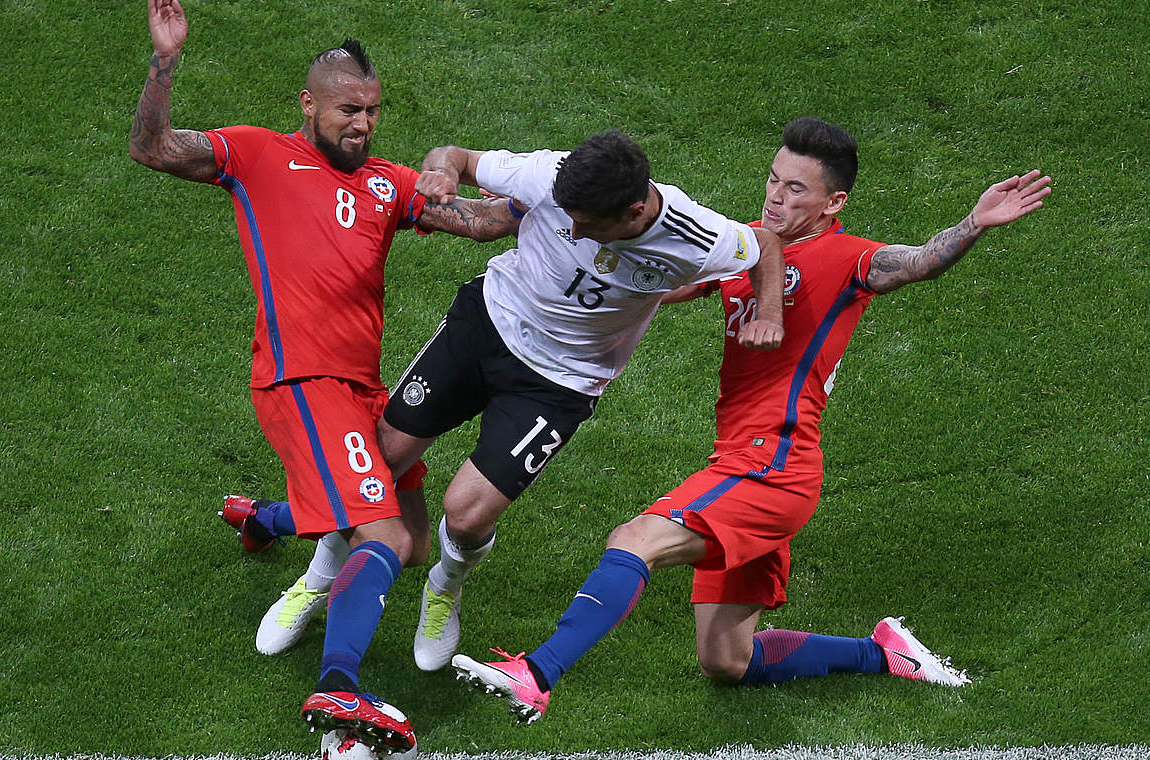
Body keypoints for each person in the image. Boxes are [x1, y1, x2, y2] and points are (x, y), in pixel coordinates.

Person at [449, 116, 1052, 722]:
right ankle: (882, 654)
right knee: (726, 662)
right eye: (773, 180)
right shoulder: (744, 251)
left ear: (832, 202)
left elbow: (918, 261)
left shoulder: (848, 258)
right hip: (744, 459)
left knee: (636, 540)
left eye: (796, 189)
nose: (775, 195)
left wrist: (974, 223)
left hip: (774, 462)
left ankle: (536, 673)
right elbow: (664, 279)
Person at [128, 0, 520, 749]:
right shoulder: (255, 154)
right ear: (309, 103)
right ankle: (339, 691)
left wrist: (561, 196)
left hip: (358, 389)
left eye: (372, 111)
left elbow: (487, 221)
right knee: (388, 538)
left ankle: (262, 518)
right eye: (348, 109)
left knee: (404, 530)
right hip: (300, 381)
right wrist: (166, 58)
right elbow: (150, 147)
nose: (363, 124)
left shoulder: (386, 183)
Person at [344, 130, 785, 674]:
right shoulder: (548, 175)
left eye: (587, 224)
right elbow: (457, 157)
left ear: (634, 210)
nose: (570, 229)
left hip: (559, 383)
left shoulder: (695, 235)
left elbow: (764, 244)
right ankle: (319, 578)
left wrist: (769, 314)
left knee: (465, 515)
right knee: (381, 459)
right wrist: (438, 169)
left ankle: (445, 587)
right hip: (487, 323)